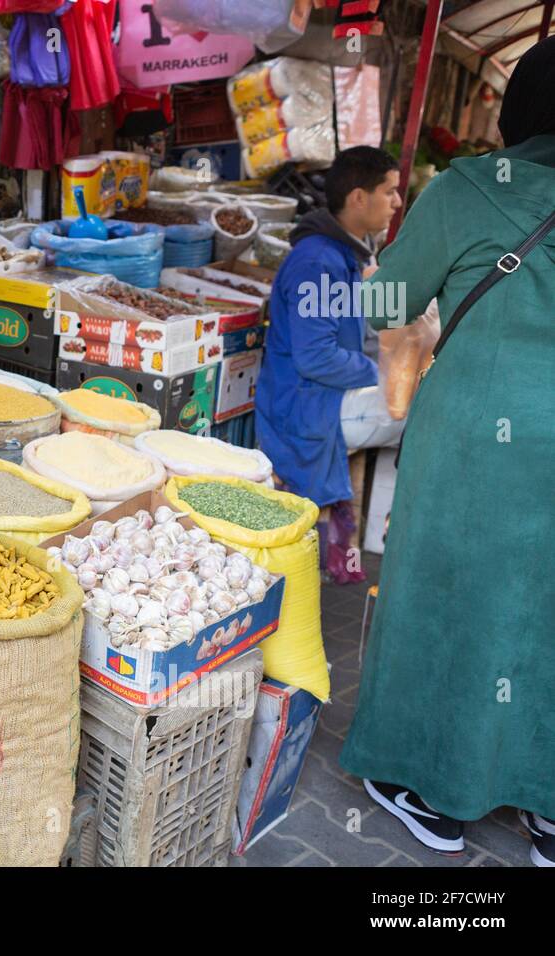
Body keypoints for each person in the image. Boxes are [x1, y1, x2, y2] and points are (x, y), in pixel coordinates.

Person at [340, 38, 555, 865]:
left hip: (480, 441)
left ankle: (429, 787)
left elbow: (388, 301)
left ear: (516, 109)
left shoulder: (471, 189)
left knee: (449, 594)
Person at [254, 146, 406, 581]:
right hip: (302, 407)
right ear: (359, 197)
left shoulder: (348, 254)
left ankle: (381, 539)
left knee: (416, 397)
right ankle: (393, 542)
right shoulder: (318, 262)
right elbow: (316, 357)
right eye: (390, 192)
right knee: (419, 408)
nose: (397, 203)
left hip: (325, 394)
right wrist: (381, 373)